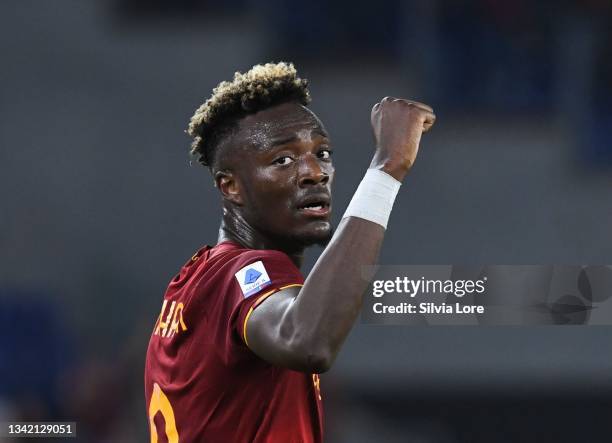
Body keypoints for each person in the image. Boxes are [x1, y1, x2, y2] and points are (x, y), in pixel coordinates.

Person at [144, 62, 435, 442]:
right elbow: (307, 340)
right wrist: (386, 169)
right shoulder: (244, 272)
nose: (315, 171)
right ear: (231, 186)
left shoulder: (193, 280)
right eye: (282, 160)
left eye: (323, 153)